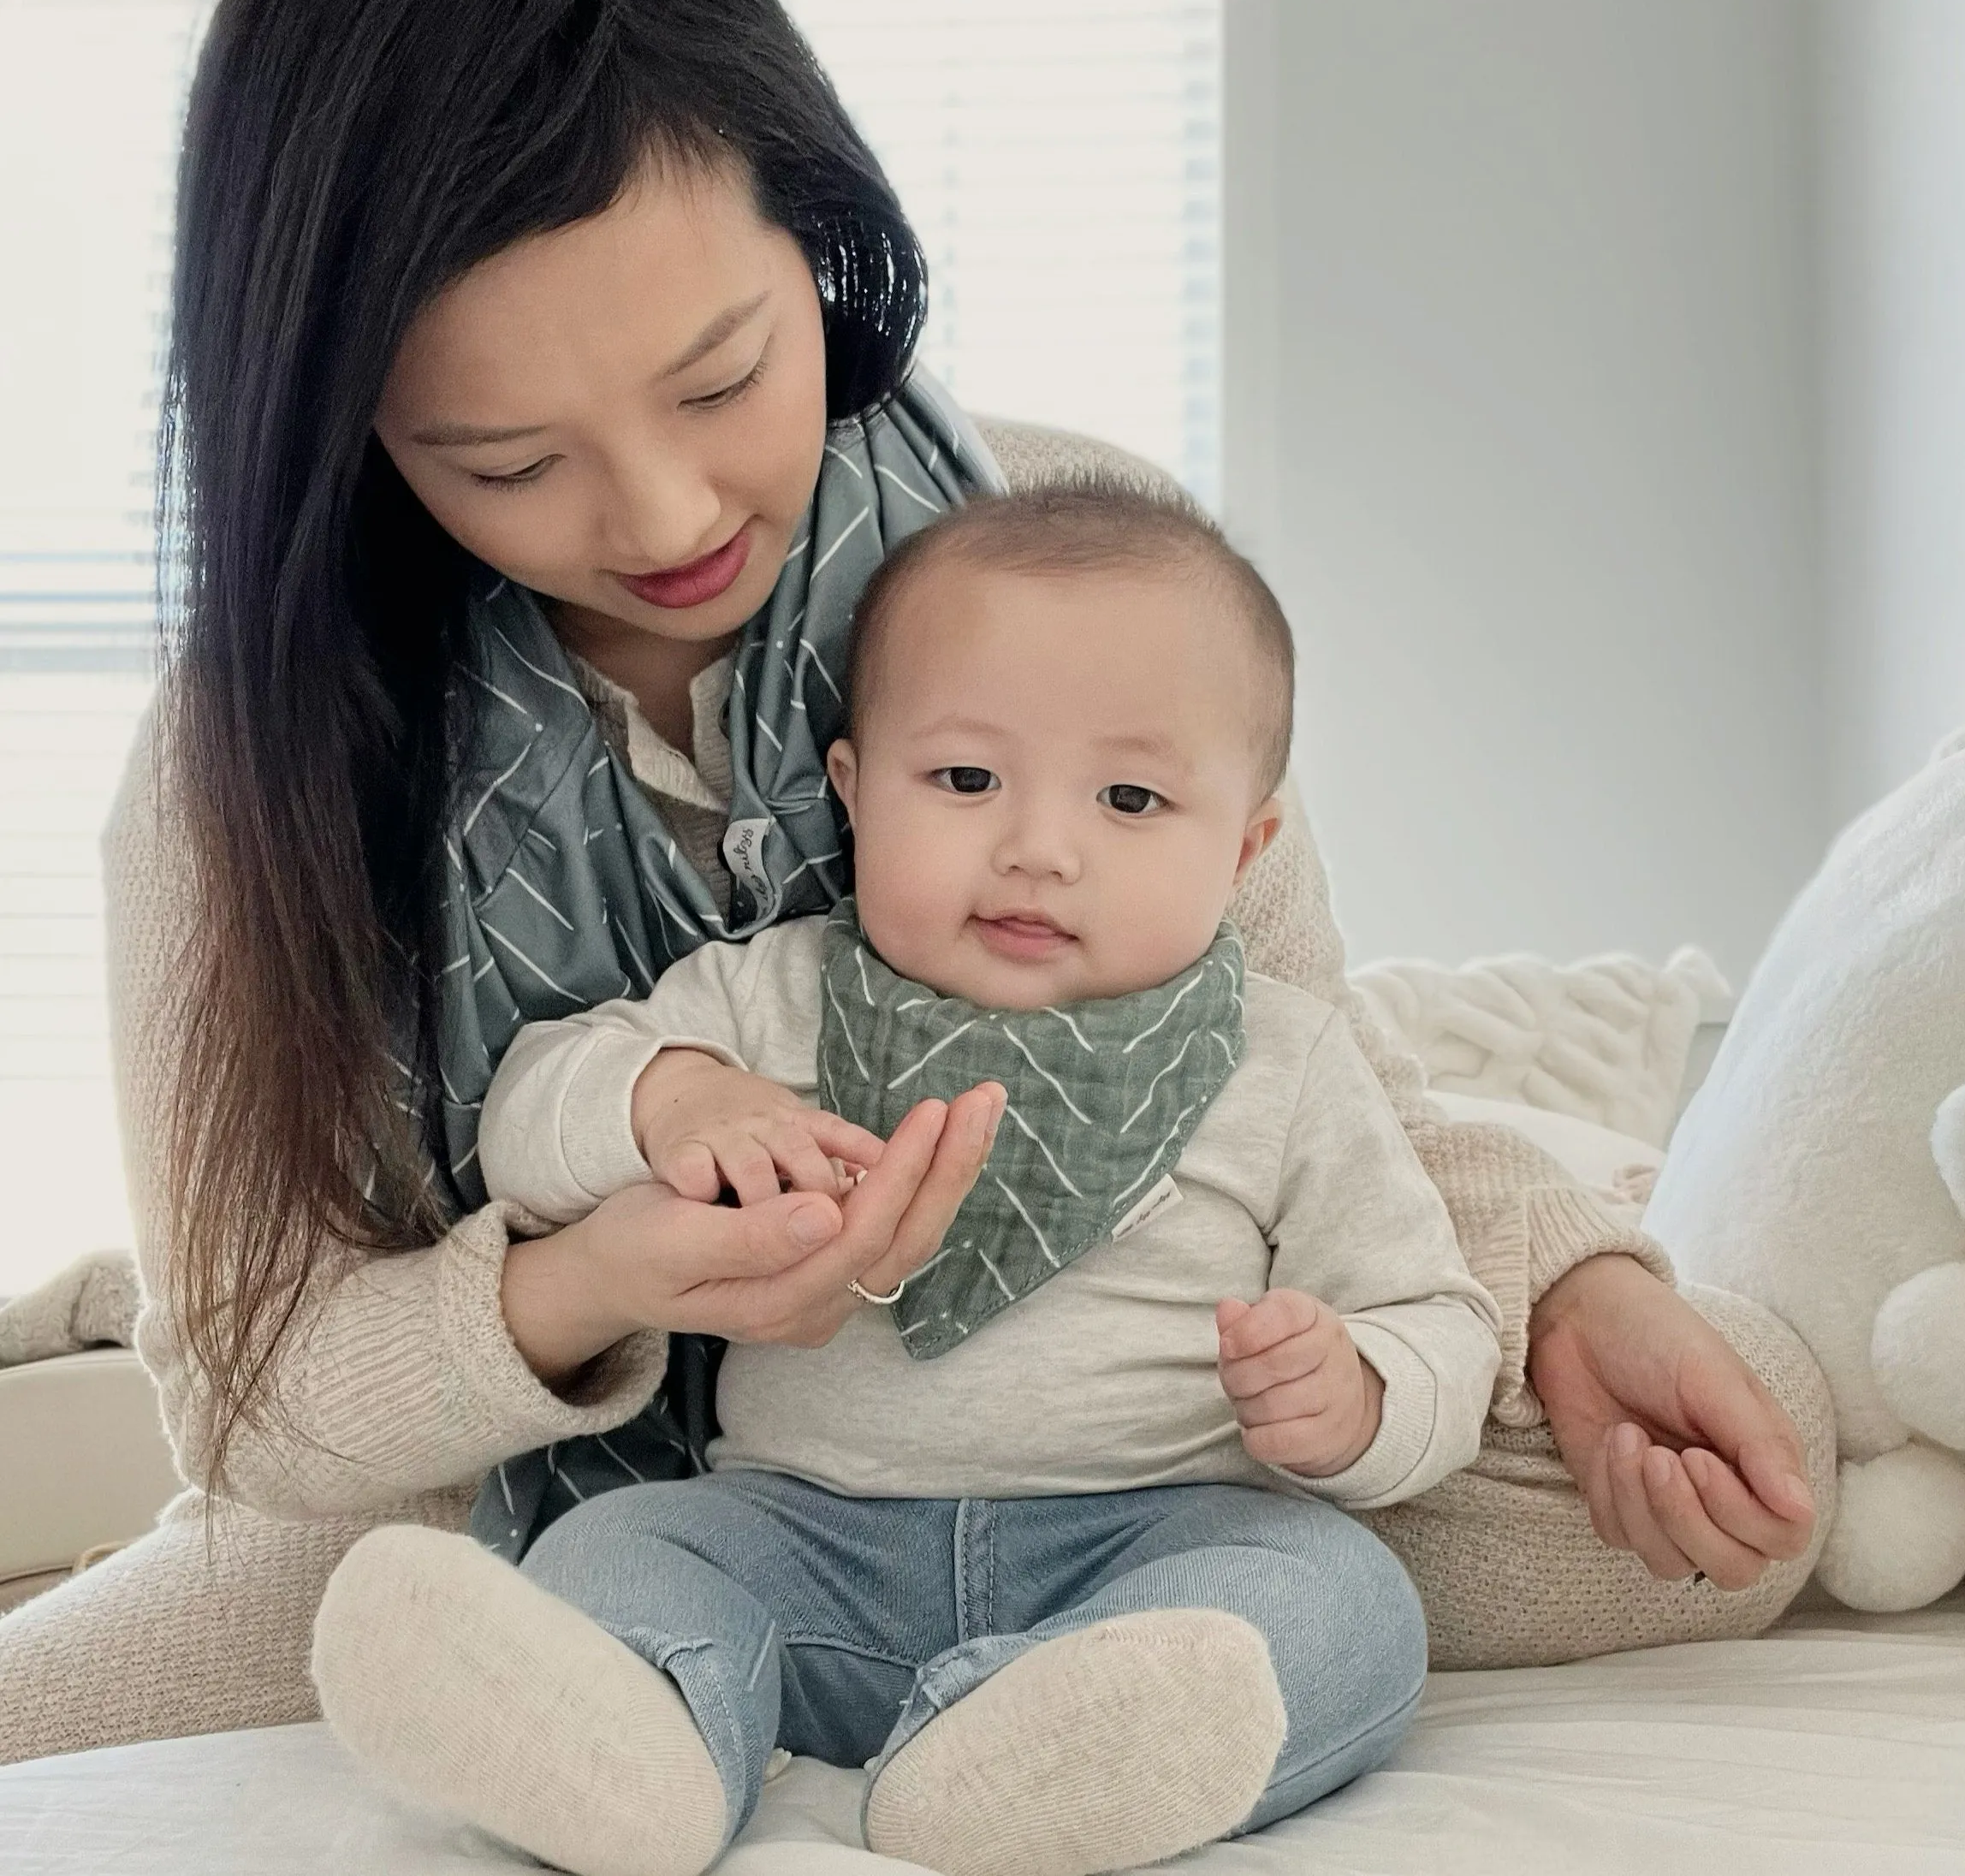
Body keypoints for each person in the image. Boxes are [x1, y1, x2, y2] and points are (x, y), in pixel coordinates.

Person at [0, 0, 1830, 1766]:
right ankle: (670, 1662)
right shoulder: (246, 765)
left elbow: (1283, 1061)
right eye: (508, 462)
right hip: (501, 1474)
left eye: (720, 376)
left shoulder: (1066, 537)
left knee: (1721, 1482)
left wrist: (1572, 1287)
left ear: (819, 222)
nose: (661, 512)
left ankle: (1060, 1687)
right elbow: (257, 1405)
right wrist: (599, 1278)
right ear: (345, 428)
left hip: (1106, 1430)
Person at [312, 483, 1505, 1876]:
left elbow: (1440, 1321)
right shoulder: (777, 1002)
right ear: (853, 790)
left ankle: (1044, 1753)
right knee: (623, 1544)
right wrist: (670, 1099)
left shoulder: (1286, 1062)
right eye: (964, 780)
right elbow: (523, 1110)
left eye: (1130, 798)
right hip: (802, 1537)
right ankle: (645, 1748)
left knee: (1349, 1602)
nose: (1038, 848)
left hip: (1154, 1541)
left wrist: (1357, 1394)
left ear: (1244, 848)